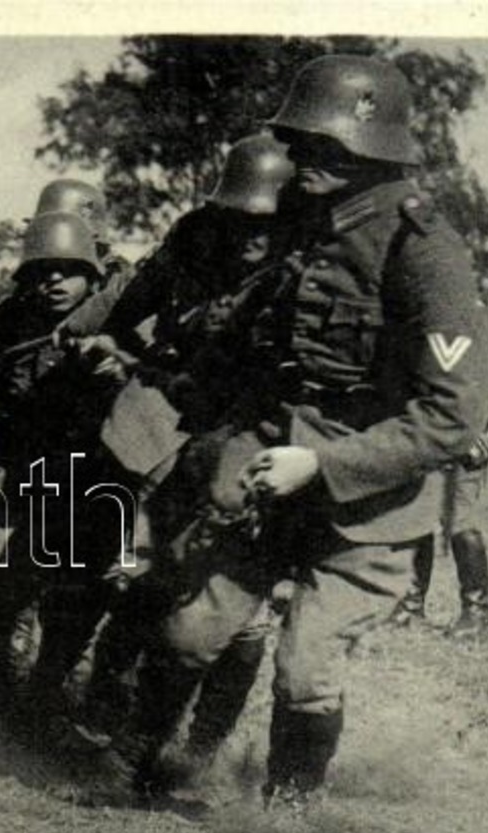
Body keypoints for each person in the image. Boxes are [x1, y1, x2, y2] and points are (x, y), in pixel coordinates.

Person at [97, 55, 488, 812]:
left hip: (367, 500)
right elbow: (245, 337)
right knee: (189, 631)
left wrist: (318, 465)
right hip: (265, 474)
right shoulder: (303, 228)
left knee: (305, 664)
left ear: (368, 145)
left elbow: (452, 415)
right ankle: (136, 764)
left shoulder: (422, 249)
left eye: (321, 144)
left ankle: (288, 814)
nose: (299, 157)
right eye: (297, 141)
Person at [68, 133, 298, 778]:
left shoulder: (315, 255)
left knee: (240, 609)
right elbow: (131, 301)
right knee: (155, 576)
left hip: (266, 428)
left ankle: (201, 748)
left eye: (269, 221)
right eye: (241, 216)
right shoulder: (193, 237)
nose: (253, 233)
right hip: (184, 411)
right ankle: (112, 707)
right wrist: (84, 331)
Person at [0, 213, 128, 707]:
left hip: (102, 471)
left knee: (84, 589)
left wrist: (120, 361)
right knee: (7, 581)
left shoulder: (124, 309)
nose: (53, 281)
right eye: (41, 271)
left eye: (67, 269)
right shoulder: (11, 319)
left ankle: (55, 689)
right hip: (31, 463)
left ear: (93, 272)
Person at [387, 414, 488, 636]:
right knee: (417, 514)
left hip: (468, 436)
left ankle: (477, 613)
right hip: (432, 433)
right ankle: (410, 607)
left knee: (460, 519)